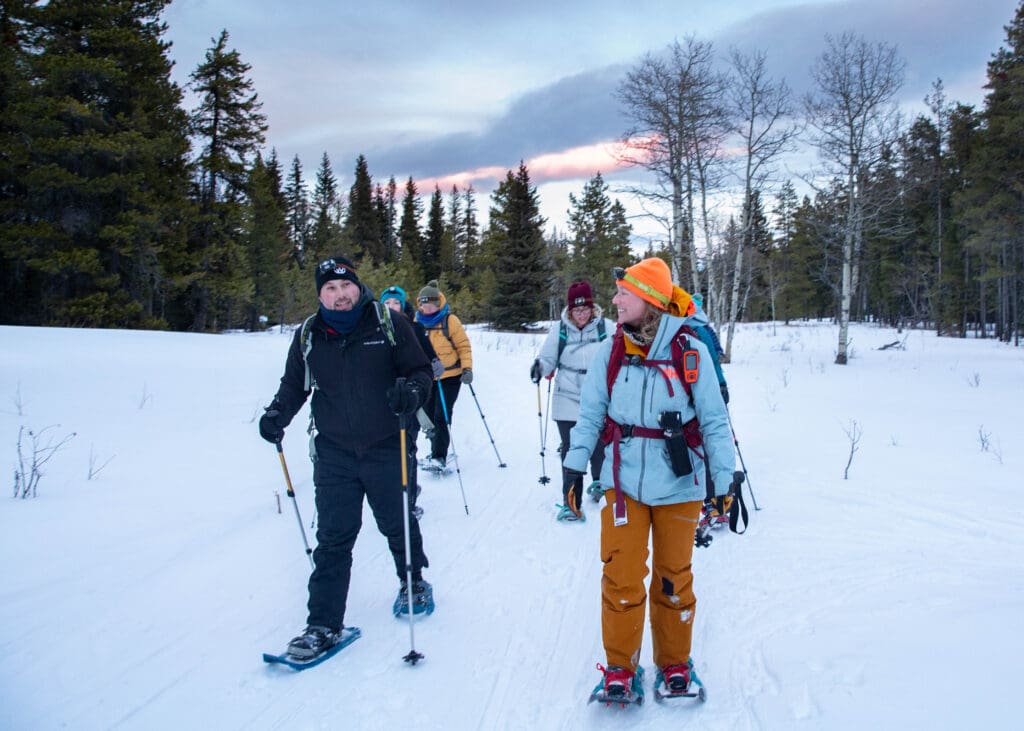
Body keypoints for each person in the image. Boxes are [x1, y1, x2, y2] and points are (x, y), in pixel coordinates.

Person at [563, 257, 735, 701]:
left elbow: (715, 422)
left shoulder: (690, 351)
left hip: (681, 484)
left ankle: (675, 663)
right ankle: (620, 667)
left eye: (624, 293)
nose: (615, 300)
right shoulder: (612, 349)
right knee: (620, 577)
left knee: (673, 578)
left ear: (651, 300)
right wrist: (574, 466)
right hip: (623, 482)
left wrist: (723, 481)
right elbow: (589, 414)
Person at [259, 256, 435, 661]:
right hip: (335, 451)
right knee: (334, 537)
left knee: (397, 520)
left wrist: (411, 392)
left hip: (388, 442)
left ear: (358, 286)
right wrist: (276, 415)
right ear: (320, 295)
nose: (339, 296)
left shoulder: (387, 323)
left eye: (345, 287)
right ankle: (323, 624)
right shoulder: (309, 334)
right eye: (330, 290)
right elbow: (293, 385)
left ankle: (414, 581)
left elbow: (421, 371)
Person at [530, 280, 615, 521]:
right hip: (566, 397)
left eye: (585, 309)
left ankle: (599, 481)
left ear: (592, 307)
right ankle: (572, 503)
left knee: (600, 446)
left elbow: (621, 355)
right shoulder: (560, 329)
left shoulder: (606, 328)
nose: (581, 314)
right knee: (571, 450)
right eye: (576, 310)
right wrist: (540, 367)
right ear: (569, 310)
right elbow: (547, 358)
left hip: (599, 397)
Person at [381, 285, 444, 515]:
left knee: (407, 448)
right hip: (383, 402)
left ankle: (409, 500)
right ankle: (394, 493)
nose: (391, 308)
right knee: (388, 452)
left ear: (403, 305)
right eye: (387, 304)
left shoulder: (413, 327)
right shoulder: (375, 329)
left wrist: (434, 364)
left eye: (395, 303)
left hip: (411, 398)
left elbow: (427, 354)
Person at [414, 280, 473, 472]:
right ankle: (434, 451)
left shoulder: (450, 321)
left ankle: (440, 455)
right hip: (427, 378)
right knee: (429, 417)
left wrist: (467, 369)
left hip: (450, 377)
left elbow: (463, 346)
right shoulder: (416, 323)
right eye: (424, 303)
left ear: (439, 303)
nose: (427, 307)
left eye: (431, 303)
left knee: (442, 415)